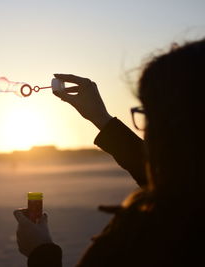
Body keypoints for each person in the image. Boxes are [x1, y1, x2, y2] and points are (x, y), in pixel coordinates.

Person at [13, 38, 205, 266]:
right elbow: (163, 170)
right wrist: (101, 118)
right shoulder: (187, 199)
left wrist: (41, 253)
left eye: (151, 114)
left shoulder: (159, 235)